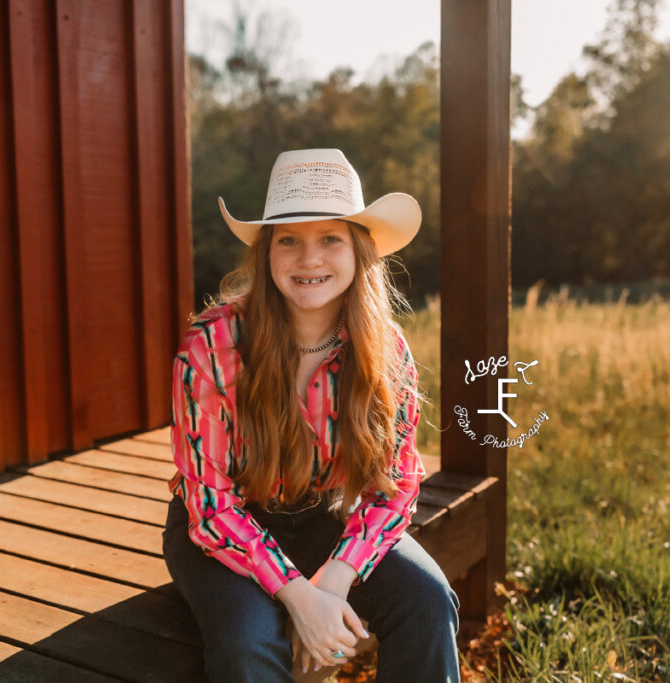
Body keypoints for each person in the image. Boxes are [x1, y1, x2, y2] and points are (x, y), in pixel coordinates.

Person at [161, 148, 461, 682]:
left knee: (430, 601)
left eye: (330, 238)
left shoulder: (385, 350)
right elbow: (210, 505)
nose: (309, 259)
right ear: (266, 252)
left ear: (358, 250)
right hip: (219, 529)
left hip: (324, 515)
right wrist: (299, 598)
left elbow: (395, 486)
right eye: (289, 240)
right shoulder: (212, 346)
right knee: (249, 642)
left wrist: (334, 582)